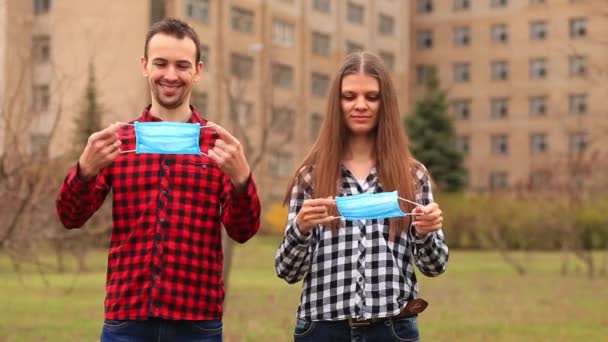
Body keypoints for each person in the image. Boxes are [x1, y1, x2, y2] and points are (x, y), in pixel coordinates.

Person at [56, 18, 260, 342]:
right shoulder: (118, 142)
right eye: (160, 63)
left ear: (197, 70)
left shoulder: (218, 145)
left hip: (198, 323)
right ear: (144, 66)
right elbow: (69, 217)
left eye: (182, 65)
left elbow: (244, 230)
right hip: (126, 320)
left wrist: (241, 180)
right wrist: (84, 169)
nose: (170, 75)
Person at [275, 51, 449, 342]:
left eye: (371, 97)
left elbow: (435, 266)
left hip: (392, 329)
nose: (360, 105)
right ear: (336, 102)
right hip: (323, 328)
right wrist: (301, 228)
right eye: (349, 96)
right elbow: (287, 271)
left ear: (385, 104)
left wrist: (425, 232)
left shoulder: (412, 176)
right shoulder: (310, 176)